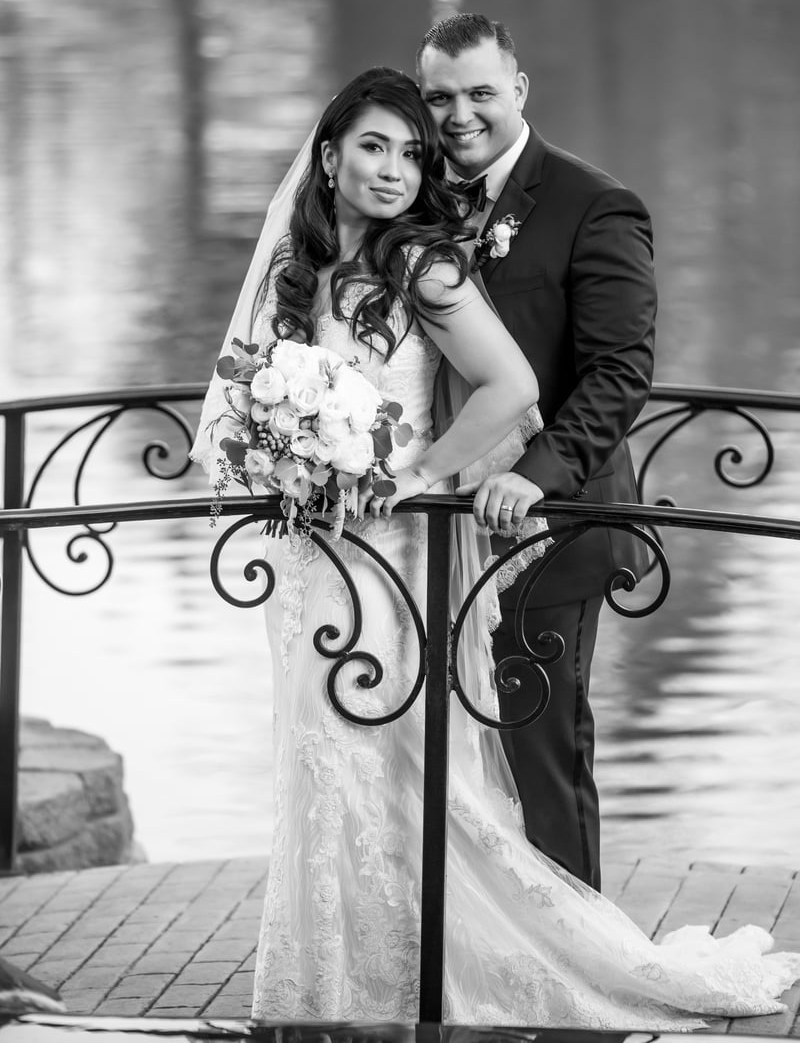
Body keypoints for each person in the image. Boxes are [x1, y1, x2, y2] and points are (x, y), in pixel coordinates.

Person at [193, 67, 800, 1027]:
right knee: (321, 762)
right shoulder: (291, 273)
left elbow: (512, 386)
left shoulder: (421, 265)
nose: (394, 170)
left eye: (410, 153)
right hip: (314, 557)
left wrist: (415, 473)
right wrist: (282, 457)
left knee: (401, 763)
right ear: (328, 156)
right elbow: (242, 404)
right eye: (373, 147)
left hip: (394, 553)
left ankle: (444, 974)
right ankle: (334, 981)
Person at [417, 13, 657, 893]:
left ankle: (576, 960)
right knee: (442, 758)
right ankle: (462, 951)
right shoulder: (410, 198)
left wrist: (533, 477)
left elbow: (620, 373)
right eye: (439, 97)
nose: (459, 116)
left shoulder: (593, 203)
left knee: (539, 753)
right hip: (429, 530)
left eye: (480, 92)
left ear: (518, 89)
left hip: (546, 529)